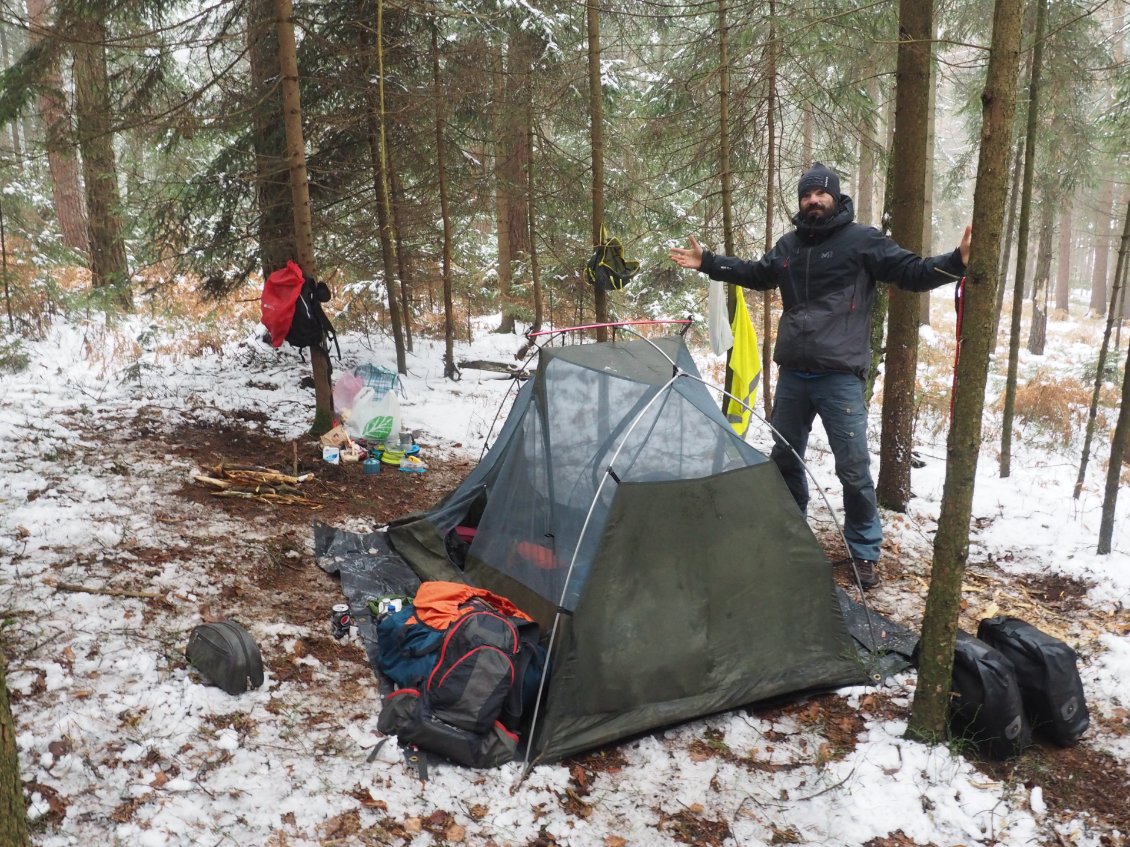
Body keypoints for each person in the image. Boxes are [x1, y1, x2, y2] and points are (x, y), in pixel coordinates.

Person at [670, 162, 971, 590]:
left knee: (853, 468)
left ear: (835, 196)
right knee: (785, 456)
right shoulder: (789, 245)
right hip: (794, 372)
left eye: (820, 194)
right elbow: (757, 275)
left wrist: (957, 262)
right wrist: (708, 263)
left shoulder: (863, 241)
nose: (813, 200)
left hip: (840, 377)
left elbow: (912, 272)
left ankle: (864, 551)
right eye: (806, 195)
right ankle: (792, 532)